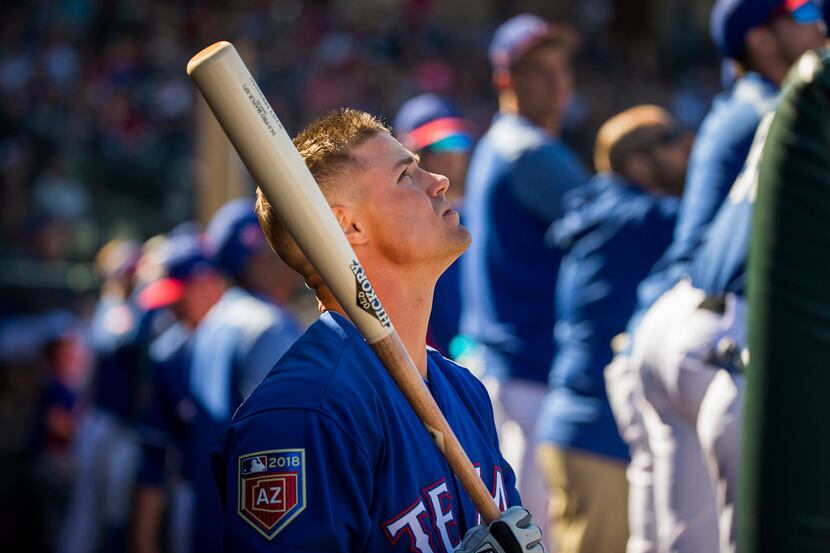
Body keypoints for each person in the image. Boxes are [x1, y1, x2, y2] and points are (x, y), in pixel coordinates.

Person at [212, 108, 545, 552]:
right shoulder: (304, 412)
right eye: (406, 174)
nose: (438, 181)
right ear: (346, 225)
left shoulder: (464, 389)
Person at [618, 2, 826, 552]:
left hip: (669, 323)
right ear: (762, 39)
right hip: (723, 329)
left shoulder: (737, 104)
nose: (818, 25)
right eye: (803, 13)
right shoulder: (787, 102)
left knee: (673, 542)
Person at [460, 14, 590, 534]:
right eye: (540, 70)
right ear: (505, 78)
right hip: (531, 375)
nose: (558, 83)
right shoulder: (530, 151)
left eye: (563, 68)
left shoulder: (497, 142)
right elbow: (615, 233)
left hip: (505, 368)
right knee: (539, 537)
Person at [535, 106, 686, 553]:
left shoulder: (607, 209)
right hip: (598, 434)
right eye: (672, 139)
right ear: (638, 162)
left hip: (574, 426)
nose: (686, 150)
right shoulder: (639, 220)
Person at [133, 231, 300, 553]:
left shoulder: (214, 325)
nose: (174, 310)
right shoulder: (263, 326)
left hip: (212, 511)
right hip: (246, 516)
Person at [394, 94, 472, 357]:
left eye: (456, 141)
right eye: (435, 147)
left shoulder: (474, 213)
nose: (450, 156)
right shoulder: (396, 230)